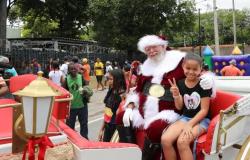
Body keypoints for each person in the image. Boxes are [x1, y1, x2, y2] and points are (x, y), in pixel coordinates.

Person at [115, 35, 214, 160]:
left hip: (169, 111)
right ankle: (130, 153)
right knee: (121, 116)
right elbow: (138, 90)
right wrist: (130, 105)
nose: (151, 51)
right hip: (144, 109)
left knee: (155, 128)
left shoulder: (179, 60)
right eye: (147, 49)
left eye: (154, 47)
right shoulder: (145, 66)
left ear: (163, 46)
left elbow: (198, 73)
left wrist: (208, 80)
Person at [161, 53, 212, 160]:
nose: (191, 72)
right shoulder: (179, 83)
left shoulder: (204, 84)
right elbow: (179, 107)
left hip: (202, 120)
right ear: (183, 67)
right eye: (188, 68)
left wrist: (190, 124)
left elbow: (204, 110)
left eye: (195, 69)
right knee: (165, 140)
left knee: (182, 142)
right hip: (185, 117)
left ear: (200, 69)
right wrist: (176, 95)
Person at [98, 69, 127, 142]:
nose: (109, 81)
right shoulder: (111, 91)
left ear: (118, 79)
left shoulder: (123, 96)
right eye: (108, 79)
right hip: (108, 126)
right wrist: (102, 129)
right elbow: (107, 112)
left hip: (117, 130)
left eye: (111, 79)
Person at [63, 63, 88, 139]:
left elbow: (86, 87)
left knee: (84, 124)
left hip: (82, 106)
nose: (73, 70)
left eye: (75, 68)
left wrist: (86, 91)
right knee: (70, 126)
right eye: (71, 69)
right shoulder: (66, 79)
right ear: (69, 70)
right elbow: (64, 92)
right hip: (71, 107)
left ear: (77, 69)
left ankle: (84, 138)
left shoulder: (81, 77)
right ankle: (71, 139)